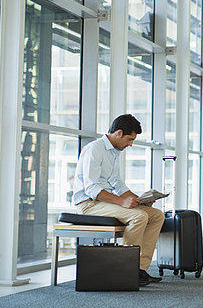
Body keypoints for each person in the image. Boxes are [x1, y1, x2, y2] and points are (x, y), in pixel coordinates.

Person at [72, 114, 164, 286]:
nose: (130, 144)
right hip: (88, 204)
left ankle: (140, 269)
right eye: (129, 139)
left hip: (105, 202)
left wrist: (137, 200)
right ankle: (126, 270)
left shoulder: (114, 153)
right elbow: (91, 188)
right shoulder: (95, 149)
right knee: (139, 216)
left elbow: (116, 183)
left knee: (156, 215)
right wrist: (122, 202)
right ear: (119, 133)